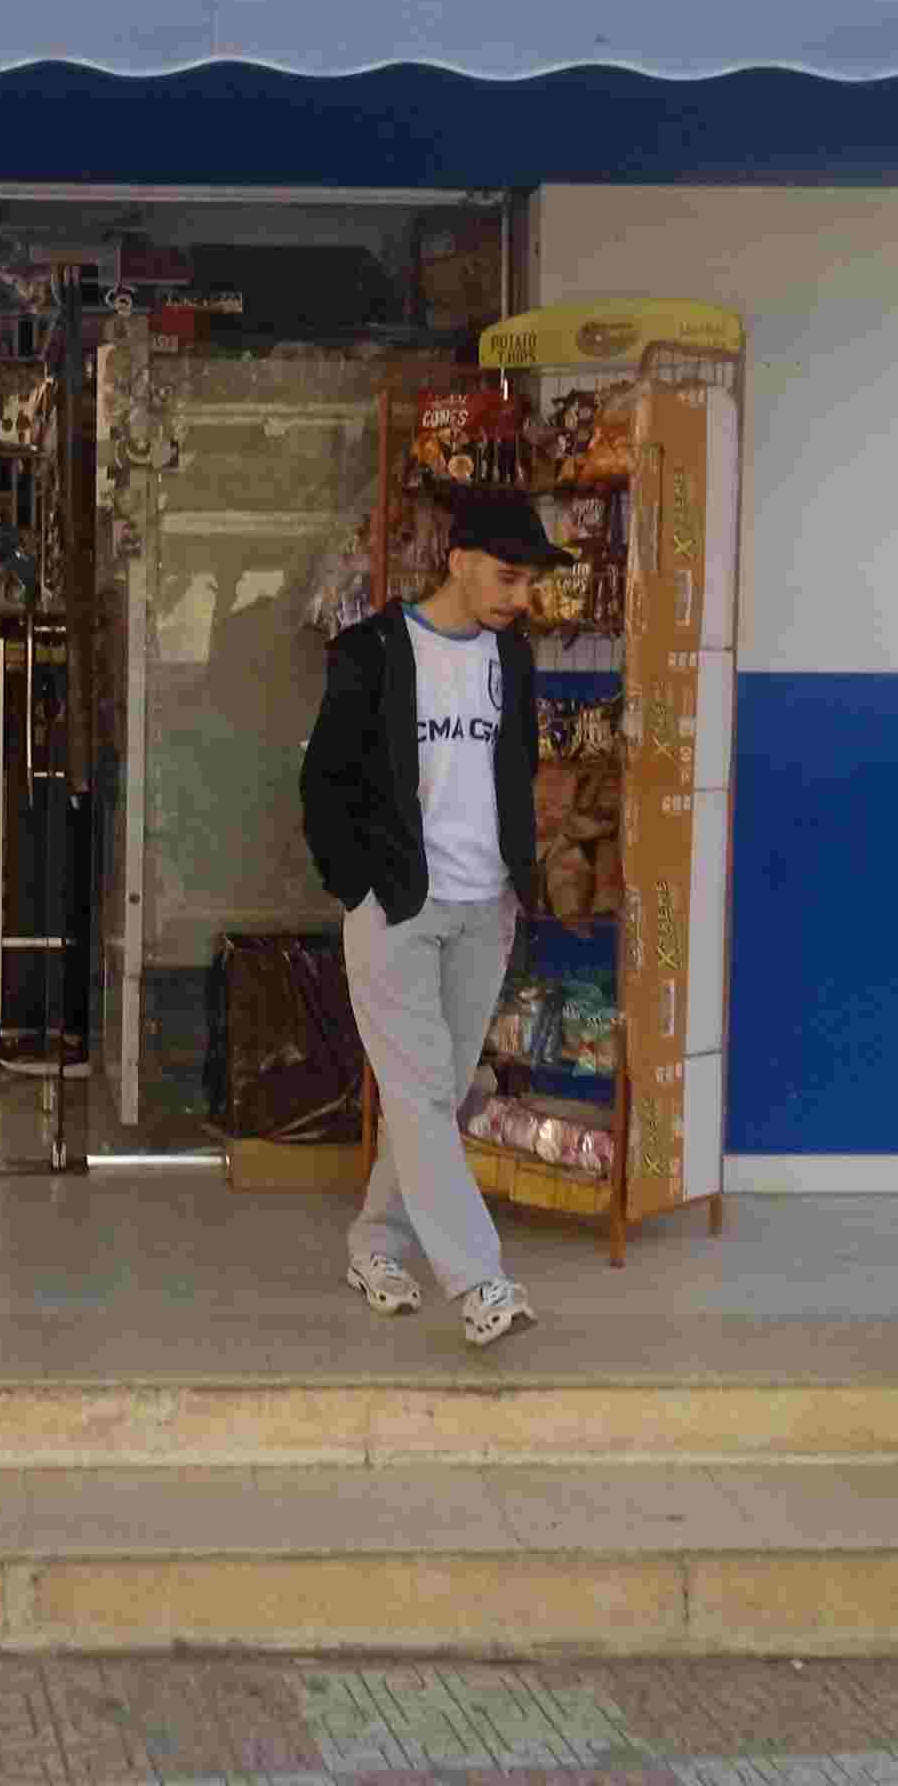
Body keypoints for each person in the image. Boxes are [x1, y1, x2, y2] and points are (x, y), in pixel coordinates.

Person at [300, 491, 570, 1350]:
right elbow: (324, 783)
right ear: (459, 560)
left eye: (527, 582)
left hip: (485, 905)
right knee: (419, 1094)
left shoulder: (511, 658)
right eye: (508, 576)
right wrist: (357, 888)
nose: (520, 597)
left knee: (437, 1097)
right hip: (398, 906)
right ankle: (480, 1281)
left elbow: (513, 772)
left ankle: (375, 1244)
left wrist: (519, 879)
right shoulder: (374, 652)